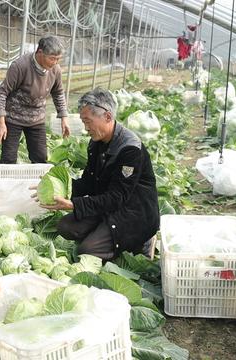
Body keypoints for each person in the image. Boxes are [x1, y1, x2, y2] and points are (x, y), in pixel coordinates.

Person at [36, 88, 159, 262]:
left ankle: (142, 242)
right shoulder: (96, 143)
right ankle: (104, 236)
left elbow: (117, 198)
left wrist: (74, 205)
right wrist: (55, 187)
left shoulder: (130, 150)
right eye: (83, 122)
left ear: (107, 117)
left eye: (88, 121)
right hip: (107, 207)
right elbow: (88, 183)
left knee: (86, 251)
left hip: (133, 213)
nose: (86, 128)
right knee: (65, 227)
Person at [0, 35, 70, 164]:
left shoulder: (55, 70)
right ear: (40, 52)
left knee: (40, 158)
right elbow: (2, 93)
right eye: (52, 59)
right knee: (8, 159)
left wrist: (64, 117)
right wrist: (1, 124)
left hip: (37, 119)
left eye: (58, 59)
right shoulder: (20, 66)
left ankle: (38, 184)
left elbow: (58, 93)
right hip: (14, 118)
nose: (55, 63)